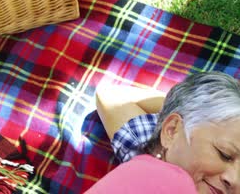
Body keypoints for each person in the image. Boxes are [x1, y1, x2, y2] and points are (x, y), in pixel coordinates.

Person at [90, 71, 240, 194]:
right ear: (172, 130)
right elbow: (114, 97)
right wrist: (186, 105)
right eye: (224, 154)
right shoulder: (151, 150)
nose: (234, 180)